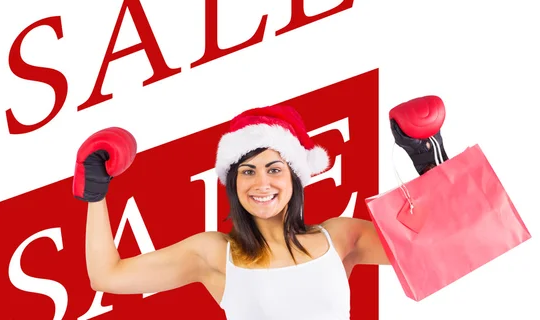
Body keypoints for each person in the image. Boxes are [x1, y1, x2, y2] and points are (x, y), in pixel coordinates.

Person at [73, 97, 448, 320]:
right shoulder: (216, 254)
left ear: (295, 178)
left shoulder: (339, 237)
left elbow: (434, 246)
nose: (261, 183)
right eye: (247, 172)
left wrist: (429, 161)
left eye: (274, 170)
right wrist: (96, 192)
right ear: (234, 184)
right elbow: (108, 277)